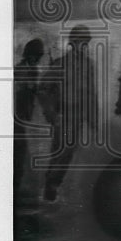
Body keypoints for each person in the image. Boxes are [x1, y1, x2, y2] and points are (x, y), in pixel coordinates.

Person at [43, 25, 99, 203]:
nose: (83, 45)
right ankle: (51, 185)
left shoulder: (88, 65)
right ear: (72, 43)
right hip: (63, 115)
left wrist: (93, 121)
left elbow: (91, 93)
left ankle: (53, 184)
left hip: (78, 115)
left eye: (85, 42)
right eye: (80, 42)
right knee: (60, 151)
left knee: (68, 153)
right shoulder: (60, 64)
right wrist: (52, 115)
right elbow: (43, 89)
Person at [14, 38, 47, 198]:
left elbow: (35, 90)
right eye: (35, 56)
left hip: (25, 116)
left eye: (38, 57)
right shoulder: (19, 70)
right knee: (19, 152)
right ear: (29, 55)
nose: (37, 60)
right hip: (16, 117)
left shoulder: (33, 70)